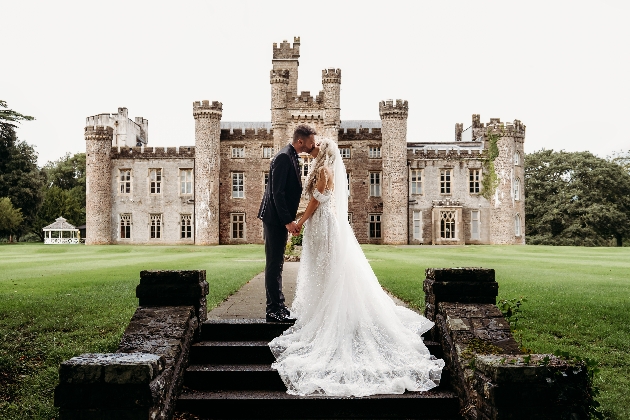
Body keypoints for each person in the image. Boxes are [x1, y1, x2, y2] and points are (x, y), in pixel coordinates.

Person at [269, 139, 444, 397]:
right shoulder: (320, 168)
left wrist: (299, 222)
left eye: (316, 146)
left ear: (323, 151)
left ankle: (334, 316)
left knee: (328, 271)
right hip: (320, 223)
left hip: (321, 222)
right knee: (323, 271)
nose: (312, 148)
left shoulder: (325, 171)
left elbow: (316, 201)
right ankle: (324, 310)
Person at [258, 125, 317, 323]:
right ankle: (273, 309)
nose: (313, 145)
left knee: (277, 263)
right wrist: (288, 222)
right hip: (275, 220)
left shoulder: (291, 155)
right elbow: (277, 193)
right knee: (274, 264)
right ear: (301, 141)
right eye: (311, 142)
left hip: (277, 219)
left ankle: (279, 306)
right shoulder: (284, 156)